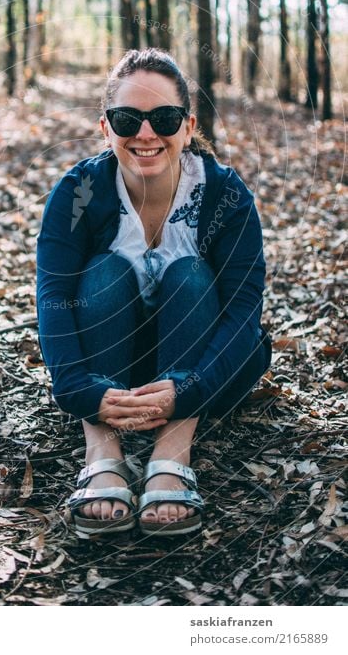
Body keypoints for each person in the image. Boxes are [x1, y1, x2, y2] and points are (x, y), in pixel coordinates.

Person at [36, 48, 272, 538]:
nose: (146, 134)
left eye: (163, 118)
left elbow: (243, 309)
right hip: (106, 366)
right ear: (106, 128)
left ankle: (172, 451)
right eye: (128, 119)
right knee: (104, 270)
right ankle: (101, 451)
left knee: (189, 271)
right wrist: (80, 391)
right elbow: (54, 298)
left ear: (187, 127)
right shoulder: (78, 192)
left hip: (195, 363)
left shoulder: (226, 196)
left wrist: (193, 389)